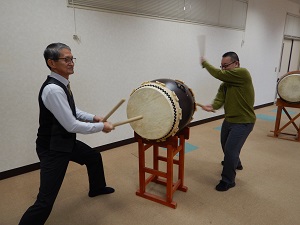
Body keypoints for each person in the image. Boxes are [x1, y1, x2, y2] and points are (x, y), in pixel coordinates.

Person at [19, 43, 115, 225]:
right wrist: (101, 127)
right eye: (66, 59)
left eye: (72, 58)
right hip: (53, 149)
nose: (71, 63)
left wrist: (94, 118)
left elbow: (72, 110)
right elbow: (71, 125)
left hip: (65, 142)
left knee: (93, 157)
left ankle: (97, 188)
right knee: (45, 201)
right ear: (52, 63)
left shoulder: (62, 84)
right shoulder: (53, 89)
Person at [200, 51, 256, 192]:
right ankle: (236, 163)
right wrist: (212, 106)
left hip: (244, 121)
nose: (223, 69)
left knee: (230, 150)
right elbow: (220, 99)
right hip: (229, 120)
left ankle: (228, 180)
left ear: (236, 63)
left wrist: (205, 63)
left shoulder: (243, 73)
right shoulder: (225, 84)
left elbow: (219, 74)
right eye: (222, 66)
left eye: (226, 66)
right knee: (226, 146)